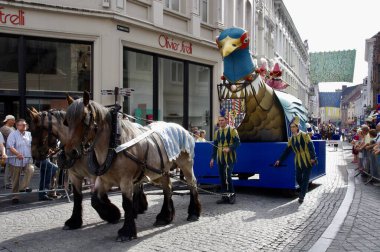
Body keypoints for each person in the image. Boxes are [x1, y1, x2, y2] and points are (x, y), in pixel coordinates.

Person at [274, 116, 317, 204]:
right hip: (298, 160)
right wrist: (280, 160)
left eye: (293, 127)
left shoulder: (305, 135)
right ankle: (304, 190)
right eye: (291, 127)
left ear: (297, 127)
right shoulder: (292, 139)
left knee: (305, 178)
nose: (292, 128)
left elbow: (311, 146)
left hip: (307, 159)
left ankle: (301, 196)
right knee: (298, 177)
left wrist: (313, 158)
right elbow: (287, 151)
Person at [210, 112, 240, 204]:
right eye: (219, 121)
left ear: (226, 120)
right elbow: (215, 146)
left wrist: (229, 148)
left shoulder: (232, 130)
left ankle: (232, 195)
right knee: (222, 176)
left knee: (228, 175)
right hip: (220, 157)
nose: (220, 122)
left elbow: (237, 142)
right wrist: (212, 158)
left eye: (222, 120)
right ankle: (224, 197)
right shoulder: (217, 132)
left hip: (230, 157)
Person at [6, 119, 35, 204]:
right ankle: (15, 196)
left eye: (25, 124)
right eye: (22, 125)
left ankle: (22, 188)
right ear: (17, 126)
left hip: (27, 159)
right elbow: (10, 146)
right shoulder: (13, 134)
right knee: (15, 179)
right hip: (15, 160)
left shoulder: (29, 134)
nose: (24, 126)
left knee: (31, 170)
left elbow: (32, 145)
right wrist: (17, 154)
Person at [0, 115, 16, 189]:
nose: (14, 121)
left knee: (12, 166)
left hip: (13, 149)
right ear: (8, 120)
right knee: (9, 167)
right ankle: (7, 183)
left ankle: (10, 182)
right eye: (13, 120)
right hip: (7, 150)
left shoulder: (12, 128)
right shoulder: (4, 128)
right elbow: (15, 136)